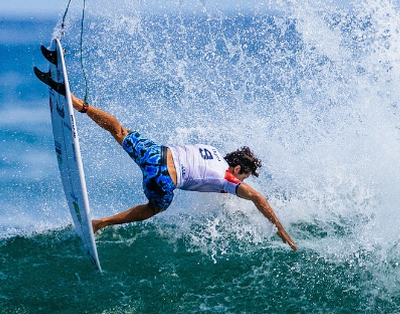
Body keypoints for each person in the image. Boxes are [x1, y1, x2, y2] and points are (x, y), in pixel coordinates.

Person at [67, 93, 297, 251]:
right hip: (163, 178)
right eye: (243, 176)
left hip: (155, 153)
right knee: (155, 208)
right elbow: (256, 197)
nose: (241, 182)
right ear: (237, 168)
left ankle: (79, 104)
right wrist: (280, 231)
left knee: (119, 130)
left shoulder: (212, 151)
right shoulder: (228, 178)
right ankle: (100, 223)